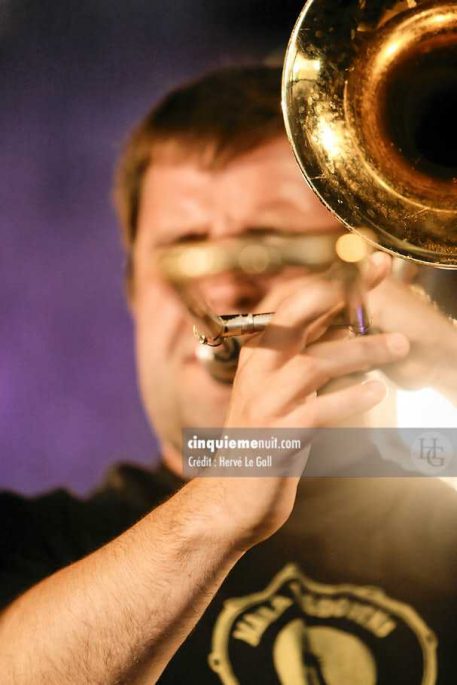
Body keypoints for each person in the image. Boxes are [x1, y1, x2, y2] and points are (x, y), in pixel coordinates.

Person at [1, 65, 457, 685]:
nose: (223, 288)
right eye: (186, 247)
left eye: (270, 244)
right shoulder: (36, 542)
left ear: (381, 278)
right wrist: (221, 501)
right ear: (135, 293)